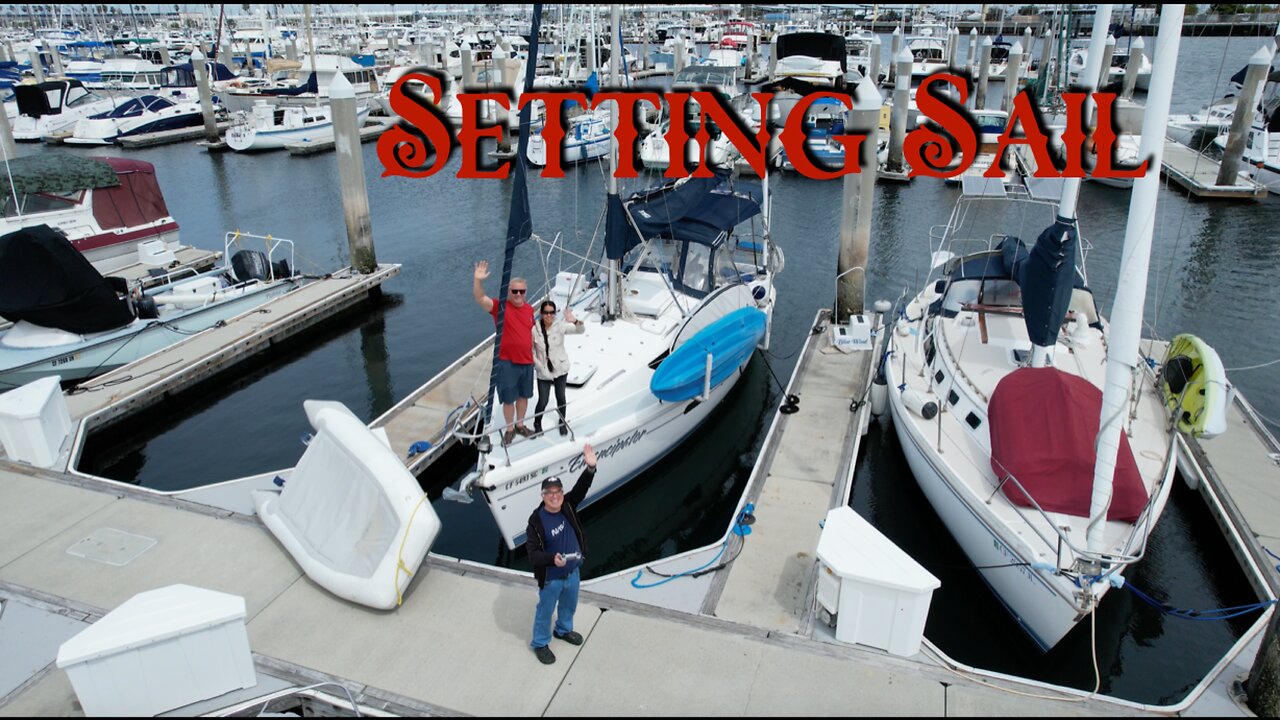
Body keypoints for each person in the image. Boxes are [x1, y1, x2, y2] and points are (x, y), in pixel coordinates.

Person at [527, 442, 597, 665]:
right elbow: (533, 555)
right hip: (552, 578)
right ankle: (540, 643)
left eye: (558, 492)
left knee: (570, 605)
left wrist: (591, 468)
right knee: (545, 610)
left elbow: (582, 488)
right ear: (543, 495)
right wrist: (551, 560)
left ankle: (564, 630)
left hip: (573, 571)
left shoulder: (567, 505)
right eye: (550, 493)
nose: (555, 496)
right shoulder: (536, 521)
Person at [473, 260, 535, 445]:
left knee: (524, 397)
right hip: (507, 363)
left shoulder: (530, 309)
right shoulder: (499, 307)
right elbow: (480, 298)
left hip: (527, 362)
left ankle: (520, 425)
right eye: (514, 291)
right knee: (509, 400)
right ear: (509, 292)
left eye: (521, 291)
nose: (517, 294)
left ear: (525, 292)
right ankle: (509, 429)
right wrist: (478, 280)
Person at [530, 300, 585, 436]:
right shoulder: (534, 330)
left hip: (560, 368)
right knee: (543, 400)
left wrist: (574, 320)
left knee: (560, 397)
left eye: (551, 313)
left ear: (554, 314)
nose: (549, 315)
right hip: (544, 371)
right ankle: (537, 423)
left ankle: (562, 422)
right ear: (541, 313)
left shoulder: (560, 326)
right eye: (546, 312)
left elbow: (581, 331)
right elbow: (530, 353)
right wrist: (539, 367)